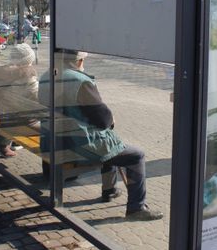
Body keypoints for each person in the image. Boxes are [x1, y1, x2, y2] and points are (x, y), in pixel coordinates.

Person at [38, 50, 163, 221]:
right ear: (79, 61)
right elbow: (103, 120)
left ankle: (110, 190)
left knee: (111, 145)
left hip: (52, 140)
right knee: (135, 155)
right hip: (78, 146)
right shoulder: (80, 82)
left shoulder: (46, 76)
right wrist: (111, 119)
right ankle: (137, 207)